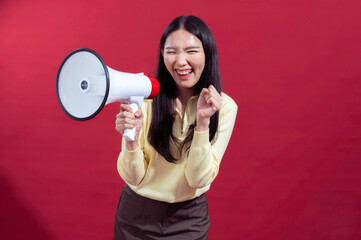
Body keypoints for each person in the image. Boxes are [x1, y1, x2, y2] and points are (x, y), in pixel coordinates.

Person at [114, 15, 237, 239]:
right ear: (162, 55)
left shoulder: (225, 107)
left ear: (207, 54)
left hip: (188, 218)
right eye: (171, 52)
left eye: (191, 51)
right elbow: (133, 178)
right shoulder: (144, 100)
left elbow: (197, 180)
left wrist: (202, 123)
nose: (180, 61)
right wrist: (131, 139)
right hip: (135, 214)